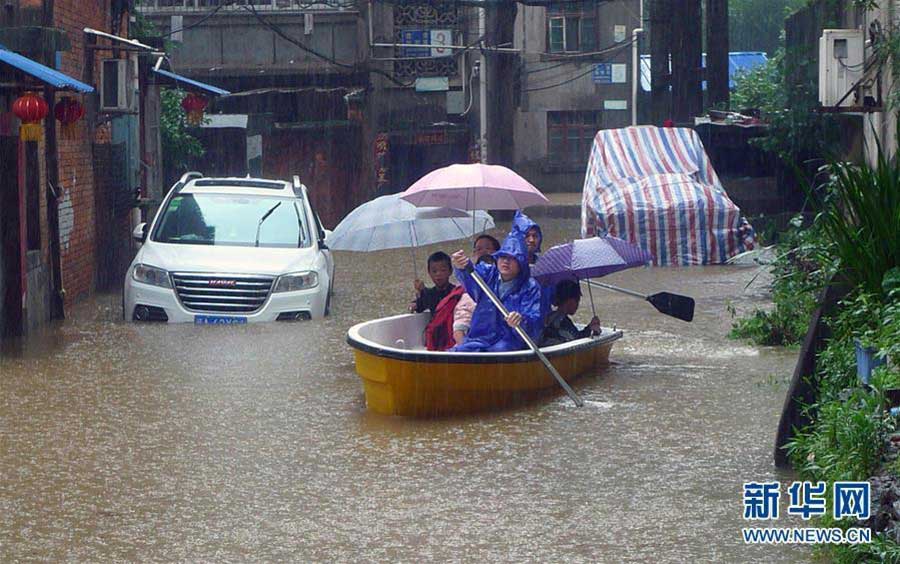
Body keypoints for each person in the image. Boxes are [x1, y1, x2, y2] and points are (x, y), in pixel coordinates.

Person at [450, 233, 544, 352]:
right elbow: (471, 275)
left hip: (510, 340)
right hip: (481, 337)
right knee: (459, 350)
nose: (506, 261)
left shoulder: (530, 286)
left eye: (512, 258)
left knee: (500, 349)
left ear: (521, 262)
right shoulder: (488, 273)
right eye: (502, 257)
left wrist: (521, 320)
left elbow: (534, 320)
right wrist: (462, 266)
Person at [452, 234, 501, 343]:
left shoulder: (507, 279)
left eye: (488, 248)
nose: (483, 251)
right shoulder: (469, 284)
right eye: (479, 249)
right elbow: (460, 326)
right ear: (474, 255)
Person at [541, 279, 601, 346]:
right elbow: (576, 342)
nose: (578, 304)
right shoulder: (562, 322)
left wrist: (590, 328)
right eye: (577, 300)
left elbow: (574, 337)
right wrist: (590, 329)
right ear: (570, 301)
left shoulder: (551, 317)